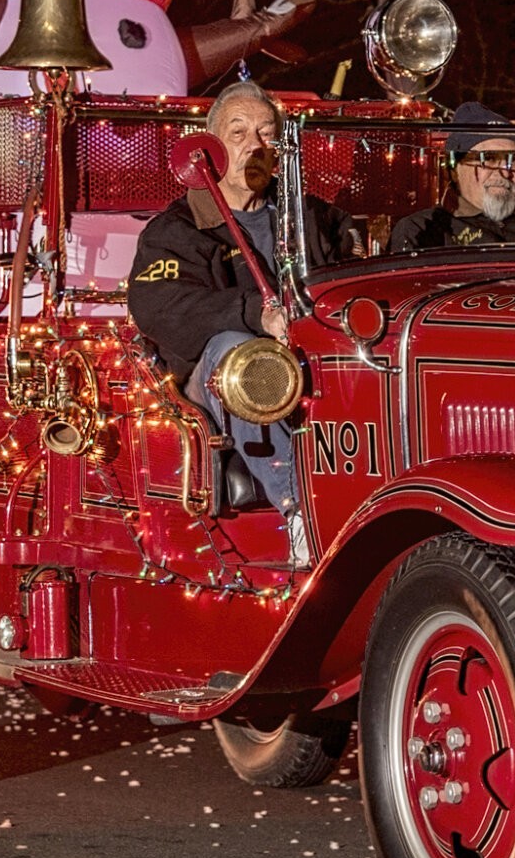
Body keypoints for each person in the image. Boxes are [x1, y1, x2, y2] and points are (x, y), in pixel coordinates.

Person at [127, 81, 357, 559]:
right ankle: (300, 513)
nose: (254, 144)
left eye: (266, 133)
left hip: (312, 364)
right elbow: (159, 305)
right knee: (241, 353)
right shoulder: (177, 229)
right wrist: (253, 314)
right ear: (209, 149)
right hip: (219, 382)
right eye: (238, 133)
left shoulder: (312, 218)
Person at [387, 102, 515, 252]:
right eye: (487, 158)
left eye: (514, 160)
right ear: (455, 168)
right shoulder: (424, 230)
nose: (503, 172)